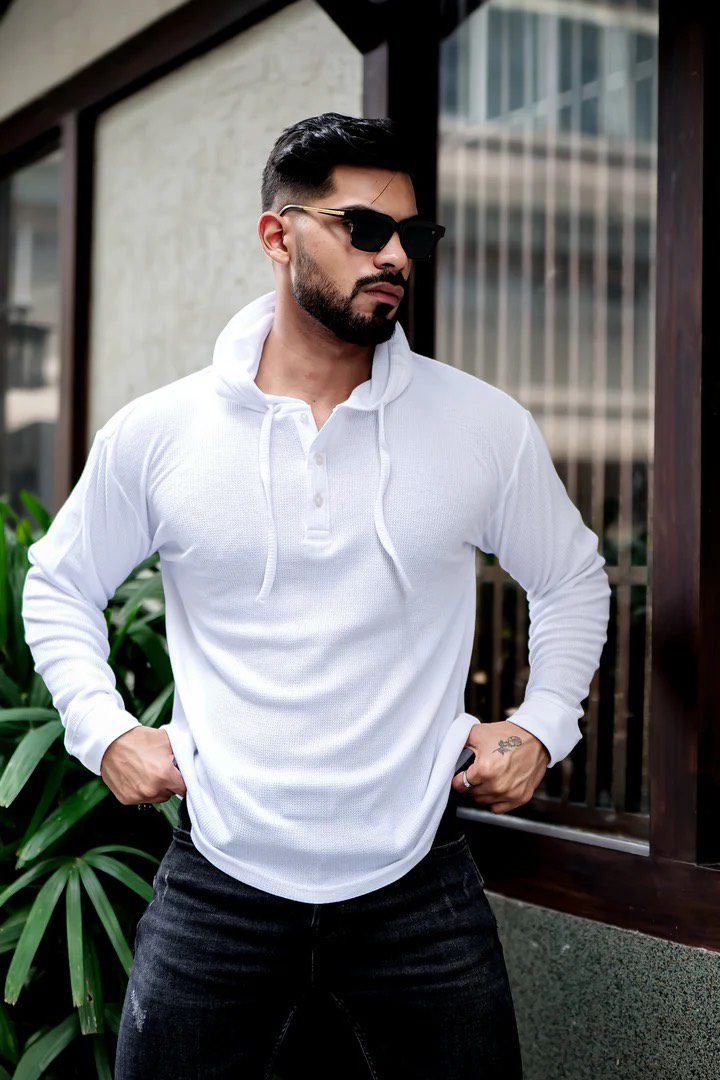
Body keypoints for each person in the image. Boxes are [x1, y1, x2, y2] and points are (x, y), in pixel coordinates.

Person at [21, 112, 611, 1079]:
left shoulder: (481, 425)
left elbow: (571, 578)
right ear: (278, 234)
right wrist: (105, 731)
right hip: (220, 880)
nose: (396, 258)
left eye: (412, 234)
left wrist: (542, 726)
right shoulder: (161, 431)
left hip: (419, 884)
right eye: (364, 228)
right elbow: (59, 583)